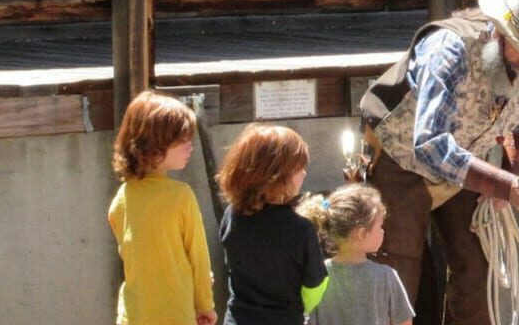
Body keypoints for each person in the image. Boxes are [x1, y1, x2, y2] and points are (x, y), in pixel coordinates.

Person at [358, 0, 519, 325]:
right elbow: (429, 143)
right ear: (500, 34)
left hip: (468, 160)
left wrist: (511, 175)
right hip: (402, 158)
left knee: (478, 273)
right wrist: (507, 186)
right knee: (397, 273)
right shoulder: (449, 49)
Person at [107, 91, 216, 325]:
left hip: (132, 316)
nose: (190, 147)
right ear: (153, 144)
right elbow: (198, 258)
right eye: (183, 140)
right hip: (176, 315)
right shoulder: (181, 197)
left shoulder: (121, 198)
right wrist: (205, 306)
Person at [216, 123, 328, 325]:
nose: (304, 173)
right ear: (278, 176)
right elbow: (315, 286)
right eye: (300, 168)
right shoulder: (301, 230)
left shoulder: (231, 215)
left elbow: (231, 267)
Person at [297, 184, 413, 325]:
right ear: (361, 233)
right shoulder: (386, 276)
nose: (383, 232)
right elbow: (405, 322)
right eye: (380, 226)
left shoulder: (317, 275)